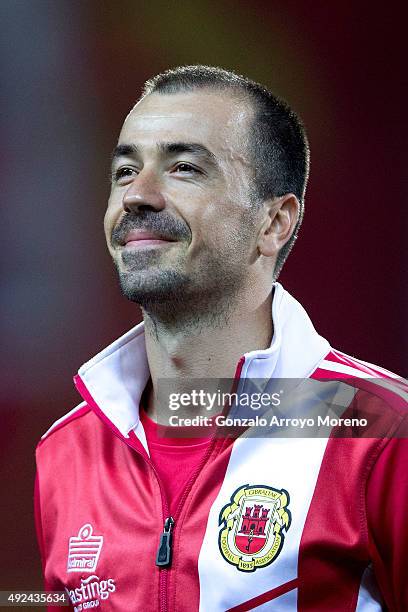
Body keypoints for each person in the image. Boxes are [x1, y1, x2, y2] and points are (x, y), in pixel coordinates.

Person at [35, 65, 407, 611]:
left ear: (274, 223)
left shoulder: (379, 432)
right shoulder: (68, 450)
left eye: (184, 168)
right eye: (123, 171)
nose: (137, 195)